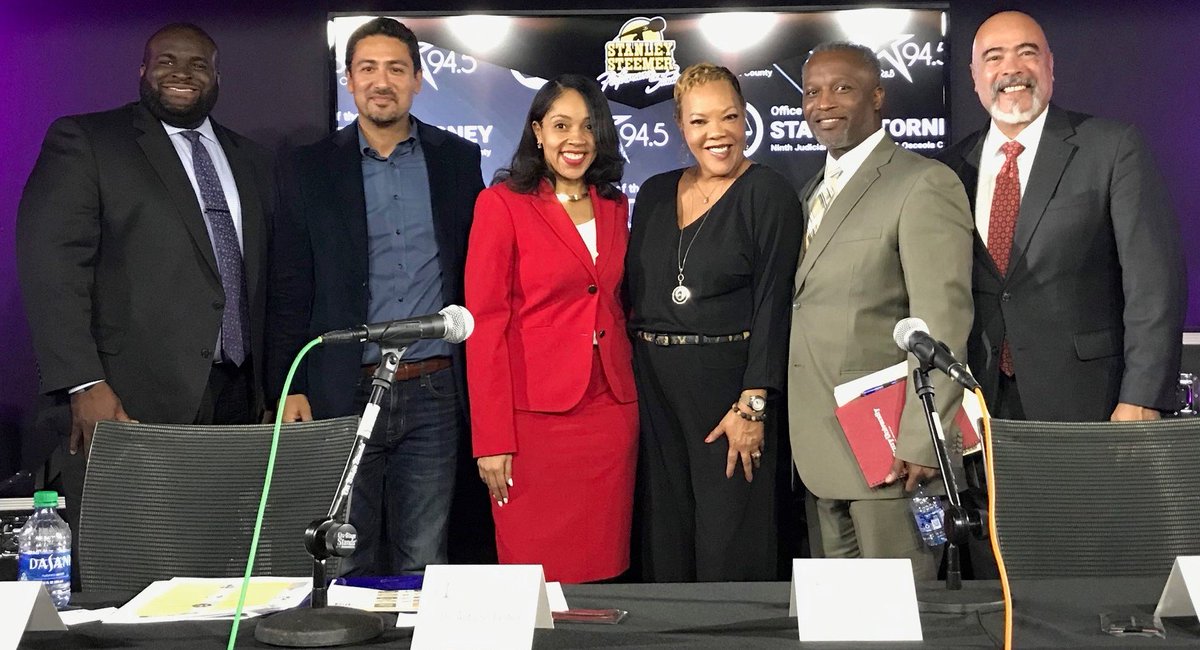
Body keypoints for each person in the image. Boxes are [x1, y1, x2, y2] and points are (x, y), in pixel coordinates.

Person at [16, 22, 274, 583]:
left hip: (238, 403)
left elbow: (269, 278)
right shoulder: (88, 141)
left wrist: (272, 388)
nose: (182, 73)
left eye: (199, 64)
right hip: (127, 399)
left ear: (218, 78)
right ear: (142, 70)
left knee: (221, 572)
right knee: (128, 577)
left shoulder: (252, 159)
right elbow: (51, 267)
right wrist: (83, 382)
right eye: (166, 61)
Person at [266, 17, 485, 574]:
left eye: (395, 69)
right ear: (349, 79)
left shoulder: (458, 160)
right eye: (367, 68)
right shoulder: (308, 167)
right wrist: (287, 385)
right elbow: (290, 283)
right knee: (342, 557)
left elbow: (477, 272)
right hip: (342, 390)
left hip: (435, 388)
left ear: (417, 79)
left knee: (425, 559)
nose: (381, 82)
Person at [939, 11, 1185, 423]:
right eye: (994, 57)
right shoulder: (949, 169)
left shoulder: (1111, 148)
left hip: (1088, 400)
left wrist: (1143, 395)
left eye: (1027, 53)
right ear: (975, 76)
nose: (1011, 68)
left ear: (1050, 65)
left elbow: (1154, 284)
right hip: (978, 403)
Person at [787, 42, 973, 580]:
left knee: (903, 612)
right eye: (812, 91)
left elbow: (941, 321)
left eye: (842, 88)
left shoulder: (923, 182)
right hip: (820, 451)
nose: (824, 103)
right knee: (839, 617)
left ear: (877, 96)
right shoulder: (809, 192)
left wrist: (922, 438)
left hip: (892, 456)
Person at [625, 63, 802, 582]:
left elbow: (774, 304)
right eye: (699, 121)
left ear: (745, 118)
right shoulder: (654, 192)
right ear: (681, 126)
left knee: (729, 542)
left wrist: (753, 404)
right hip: (653, 389)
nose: (717, 133)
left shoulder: (768, 193)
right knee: (666, 540)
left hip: (727, 393)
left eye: (729, 117)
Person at [465, 75, 638, 583]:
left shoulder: (614, 204)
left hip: (610, 415)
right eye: (561, 126)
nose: (575, 139)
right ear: (538, 132)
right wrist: (491, 439)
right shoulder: (501, 204)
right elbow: (485, 326)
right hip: (532, 425)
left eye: (588, 126)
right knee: (533, 575)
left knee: (604, 570)